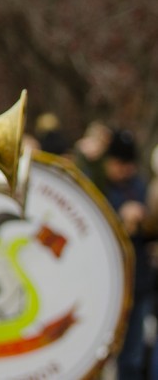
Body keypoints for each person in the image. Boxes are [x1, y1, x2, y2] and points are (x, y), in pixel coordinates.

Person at [101, 128, 150, 380]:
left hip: (138, 282)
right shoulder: (100, 187)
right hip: (109, 283)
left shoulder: (142, 189)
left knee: (133, 357)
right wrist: (120, 215)